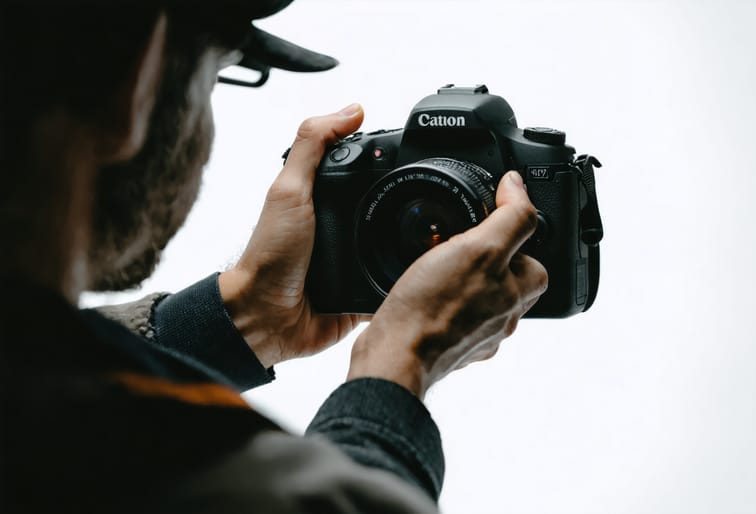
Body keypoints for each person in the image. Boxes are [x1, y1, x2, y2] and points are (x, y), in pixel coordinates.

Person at [0, 1, 548, 512]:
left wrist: (244, 314)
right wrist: (398, 363)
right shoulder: (190, 471)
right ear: (131, 80)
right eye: (217, 75)